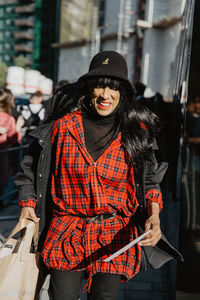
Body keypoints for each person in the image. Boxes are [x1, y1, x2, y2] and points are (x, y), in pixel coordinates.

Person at [14, 51, 182, 300]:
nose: (105, 95)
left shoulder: (136, 133)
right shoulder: (62, 128)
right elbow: (29, 168)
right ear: (88, 89)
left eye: (113, 88)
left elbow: (150, 181)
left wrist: (154, 216)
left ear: (123, 92)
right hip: (66, 229)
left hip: (115, 232)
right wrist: (28, 204)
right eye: (99, 86)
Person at [0, 89, 18, 206]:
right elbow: (13, 138)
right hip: (3, 153)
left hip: (3, 153)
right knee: (2, 180)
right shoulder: (9, 119)